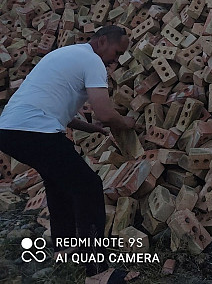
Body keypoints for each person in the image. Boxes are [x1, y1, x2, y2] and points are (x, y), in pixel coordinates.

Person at [0, 25, 139, 284]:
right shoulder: (93, 61)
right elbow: (105, 113)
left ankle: (64, 251)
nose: (116, 61)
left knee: (59, 184)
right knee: (88, 186)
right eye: (116, 53)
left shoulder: (66, 54)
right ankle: (97, 272)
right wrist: (126, 123)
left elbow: (55, 108)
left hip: (10, 130)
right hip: (34, 130)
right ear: (101, 42)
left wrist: (90, 128)